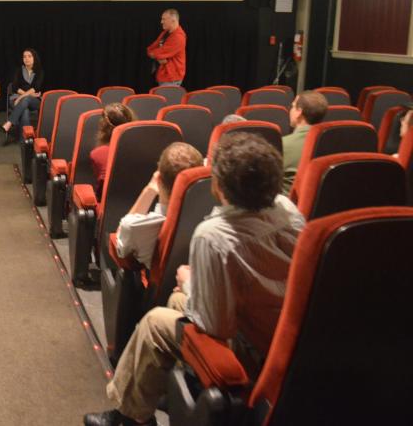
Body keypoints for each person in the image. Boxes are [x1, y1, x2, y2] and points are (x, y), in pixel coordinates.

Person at [85, 133, 305, 426]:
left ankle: (128, 418)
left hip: (250, 347)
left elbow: (214, 326)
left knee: (154, 323)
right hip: (287, 335)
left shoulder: (215, 234)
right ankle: (157, 388)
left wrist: (189, 282)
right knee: (176, 300)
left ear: (218, 185)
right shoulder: (288, 210)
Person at [114, 142, 204, 272]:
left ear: (159, 180)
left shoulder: (137, 227)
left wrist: (149, 190)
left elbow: (120, 244)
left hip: (152, 289)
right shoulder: (212, 218)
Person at [281, 90, 328, 194]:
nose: (291, 110)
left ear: (299, 112)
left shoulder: (283, 144)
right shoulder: (331, 145)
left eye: (293, 106)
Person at [88, 103, 136, 198]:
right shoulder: (142, 151)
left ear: (103, 126)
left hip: (107, 209)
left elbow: (100, 193)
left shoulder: (98, 154)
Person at [0, 48, 43, 143]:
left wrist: (21, 97)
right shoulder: (18, 71)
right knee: (25, 110)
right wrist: (26, 95)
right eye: (24, 56)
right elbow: (15, 87)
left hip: (33, 101)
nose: (26, 58)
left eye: (29, 56)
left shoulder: (39, 72)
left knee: (26, 100)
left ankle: (9, 122)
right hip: (16, 99)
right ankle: (24, 139)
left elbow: (36, 88)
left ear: (34, 58)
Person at [146, 9, 187, 87]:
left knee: (167, 99)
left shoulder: (178, 37)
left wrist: (156, 55)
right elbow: (150, 49)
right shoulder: (165, 33)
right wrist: (158, 56)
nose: (161, 22)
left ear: (173, 20)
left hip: (171, 79)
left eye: (164, 19)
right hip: (162, 77)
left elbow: (157, 53)